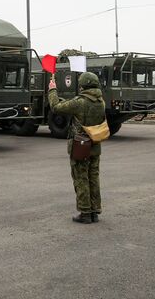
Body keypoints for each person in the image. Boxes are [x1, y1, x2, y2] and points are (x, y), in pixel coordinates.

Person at [48, 72, 106, 224]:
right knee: (93, 178)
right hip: (95, 145)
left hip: (81, 146)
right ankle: (94, 211)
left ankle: (85, 212)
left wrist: (52, 89)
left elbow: (55, 107)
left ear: (83, 86)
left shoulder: (80, 102)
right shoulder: (101, 101)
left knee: (81, 179)